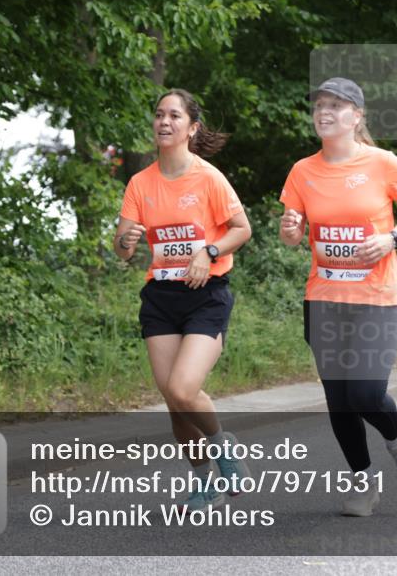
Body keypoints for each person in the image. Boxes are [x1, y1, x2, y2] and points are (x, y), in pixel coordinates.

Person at [280, 77, 397, 517]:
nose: (325, 112)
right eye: (319, 105)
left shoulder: (384, 163)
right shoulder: (302, 171)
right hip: (324, 296)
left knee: (365, 393)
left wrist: (392, 238)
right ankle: (362, 481)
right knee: (339, 398)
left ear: (357, 116)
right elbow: (292, 233)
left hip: (376, 296)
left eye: (337, 106)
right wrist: (290, 231)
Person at [115, 89, 253, 512]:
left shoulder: (208, 177)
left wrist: (208, 252)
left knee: (182, 388)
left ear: (191, 128)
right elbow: (121, 250)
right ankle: (203, 482)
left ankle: (224, 448)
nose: (164, 122)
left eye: (174, 116)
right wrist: (127, 239)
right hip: (161, 297)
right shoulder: (140, 183)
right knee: (175, 405)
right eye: (158, 115)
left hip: (205, 295)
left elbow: (241, 229)